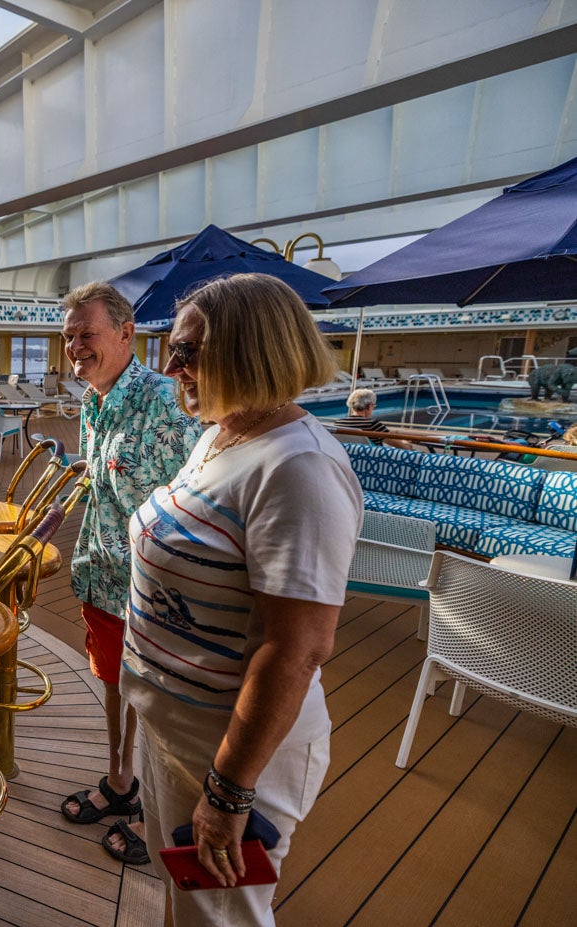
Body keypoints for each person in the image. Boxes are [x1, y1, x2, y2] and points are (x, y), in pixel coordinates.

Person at [126, 273, 362, 925]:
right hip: (173, 725)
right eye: (172, 348)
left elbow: (297, 647)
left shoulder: (298, 468)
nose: (170, 366)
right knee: (188, 901)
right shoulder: (222, 434)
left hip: (231, 749)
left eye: (189, 350)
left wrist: (228, 792)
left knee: (221, 914)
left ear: (253, 348)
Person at [57, 281, 201, 864]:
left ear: (125, 333)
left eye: (86, 334)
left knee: (157, 702)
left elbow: (196, 500)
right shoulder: (93, 402)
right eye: (68, 337)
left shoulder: (166, 401)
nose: (75, 347)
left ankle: (160, 817)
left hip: (154, 589)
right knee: (116, 685)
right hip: (103, 577)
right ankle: (120, 782)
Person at [334, 388, 418, 449]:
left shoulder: (339, 424)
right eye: (373, 406)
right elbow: (403, 447)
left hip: (347, 462)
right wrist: (406, 442)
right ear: (369, 406)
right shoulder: (372, 425)